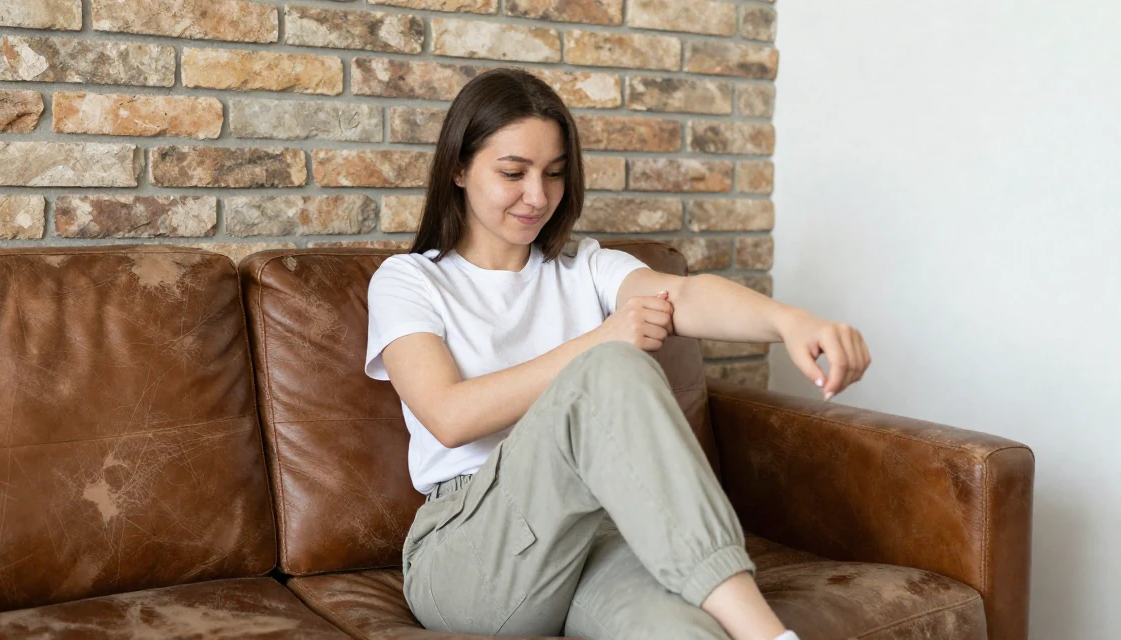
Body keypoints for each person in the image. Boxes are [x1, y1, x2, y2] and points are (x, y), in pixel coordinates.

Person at [364, 68, 871, 640]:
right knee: (609, 367)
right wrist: (598, 343)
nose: (538, 196)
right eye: (513, 173)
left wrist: (790, 321)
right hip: (471, 548)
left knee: (682, 631)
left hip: (593, 532)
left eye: (554, 173)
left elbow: (683, 296)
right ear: (458, 169)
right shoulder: (409, 281)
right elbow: (449, 416)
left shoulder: (586, 267)